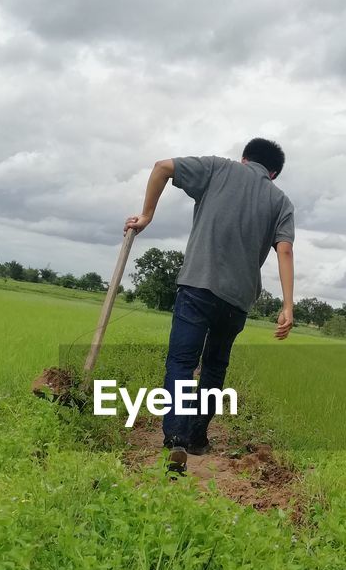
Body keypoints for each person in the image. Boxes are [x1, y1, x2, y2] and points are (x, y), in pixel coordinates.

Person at [123, 137, 295, 473]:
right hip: (237, 300)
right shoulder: (281, 201)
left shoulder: (218, 168)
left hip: (198, 286)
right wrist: (288, 305)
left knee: (182, 363)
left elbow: (162, 167)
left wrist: (146, 216)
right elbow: (285, 250)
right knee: (215, 367)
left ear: (244, 160)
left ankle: (176, 438)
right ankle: (198, 437)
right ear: (273, 174)